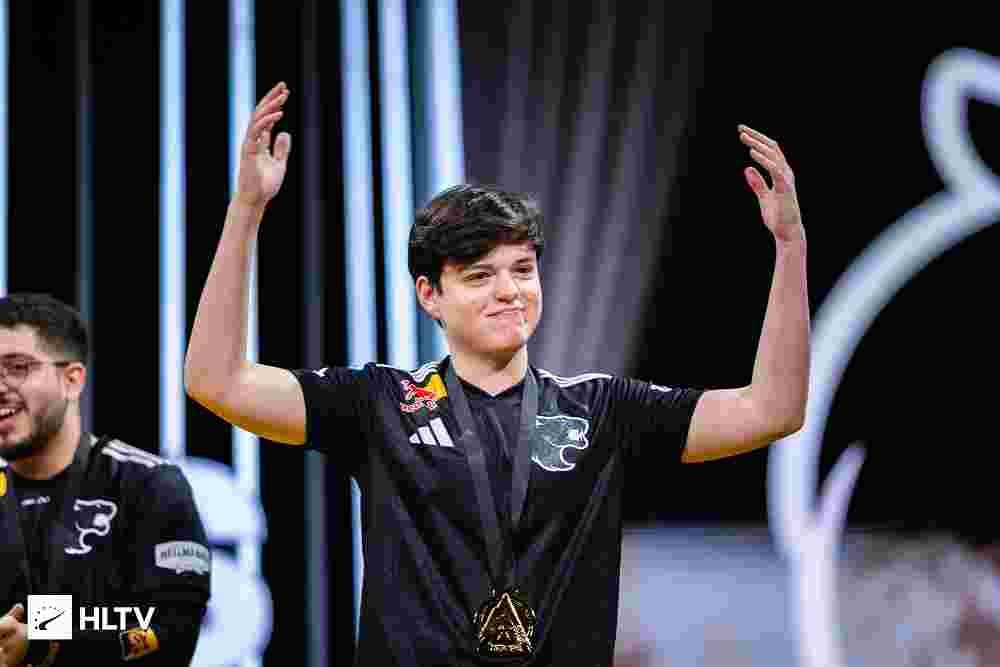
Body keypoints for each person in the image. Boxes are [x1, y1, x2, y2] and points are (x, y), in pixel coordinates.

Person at [185, 81, 809, 665]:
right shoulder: (379, 404)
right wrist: (246, 210)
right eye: (480, 275)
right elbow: (216, 381)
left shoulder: (602, 411)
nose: (509, 291)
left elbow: (773, 410)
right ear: (430, 295)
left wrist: (789, 247)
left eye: (523, 270)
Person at [0, 293, 210, 666]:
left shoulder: (146, 484)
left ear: (72, 381)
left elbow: (171, 629)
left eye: (17, 367)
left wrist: (44, 640)